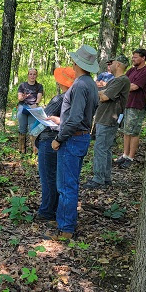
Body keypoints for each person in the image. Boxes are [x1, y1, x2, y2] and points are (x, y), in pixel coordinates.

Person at [45, 45, 99, 240]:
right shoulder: (90, 84)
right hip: (80, 137)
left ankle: (66, 228)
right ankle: (63, 219)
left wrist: (59, 139)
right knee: (67, 182)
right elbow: (81, 115)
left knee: (66, 185)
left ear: (77, 63)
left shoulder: (80, 85)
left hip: (72, 139)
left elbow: (76, 118)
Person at [83, 55, 131, 189]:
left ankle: (98, 179)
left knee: (100, 148)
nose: (110, 65)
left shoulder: (121, 80)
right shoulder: (116, 81)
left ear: (119, 65)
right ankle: (106, 178)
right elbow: (104, 92)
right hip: (106, 117)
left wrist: (93, 89)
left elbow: (104, 96)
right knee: (106, 149)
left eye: (113, 62)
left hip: (108, 118)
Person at [36, 66, 75, 221]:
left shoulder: (60, 98)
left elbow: (45, 118)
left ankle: (47, 211)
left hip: (50, 139)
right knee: (55, 176)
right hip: (61, 140)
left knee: (48, 177)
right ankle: (53, 208)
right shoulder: (75, 97)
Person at [115, 48, 146, 169]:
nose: (133, 59)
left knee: (134, 132)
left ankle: (131, 157)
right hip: (126, 103)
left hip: (137, 105)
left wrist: (121, 88)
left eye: (136, 57)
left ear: (143, 58)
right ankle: (125, 155)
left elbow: (135, 86)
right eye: (133, 57)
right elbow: (123, 82)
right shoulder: (131, 70)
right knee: (126, 131)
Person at [17, 68, 43, 154]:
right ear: (28, 75)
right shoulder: (22, 85)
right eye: (30, 74)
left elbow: (39, 97)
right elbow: (19, 97)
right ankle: (22, 150)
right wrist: (23, 97)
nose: (32, 76)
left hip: (33, 108)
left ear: (36, 75)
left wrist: (36, 103)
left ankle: (35, 152)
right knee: (22, 128)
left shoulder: (39, 86)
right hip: (23, 107)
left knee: (33, 129)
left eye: (34, 74)